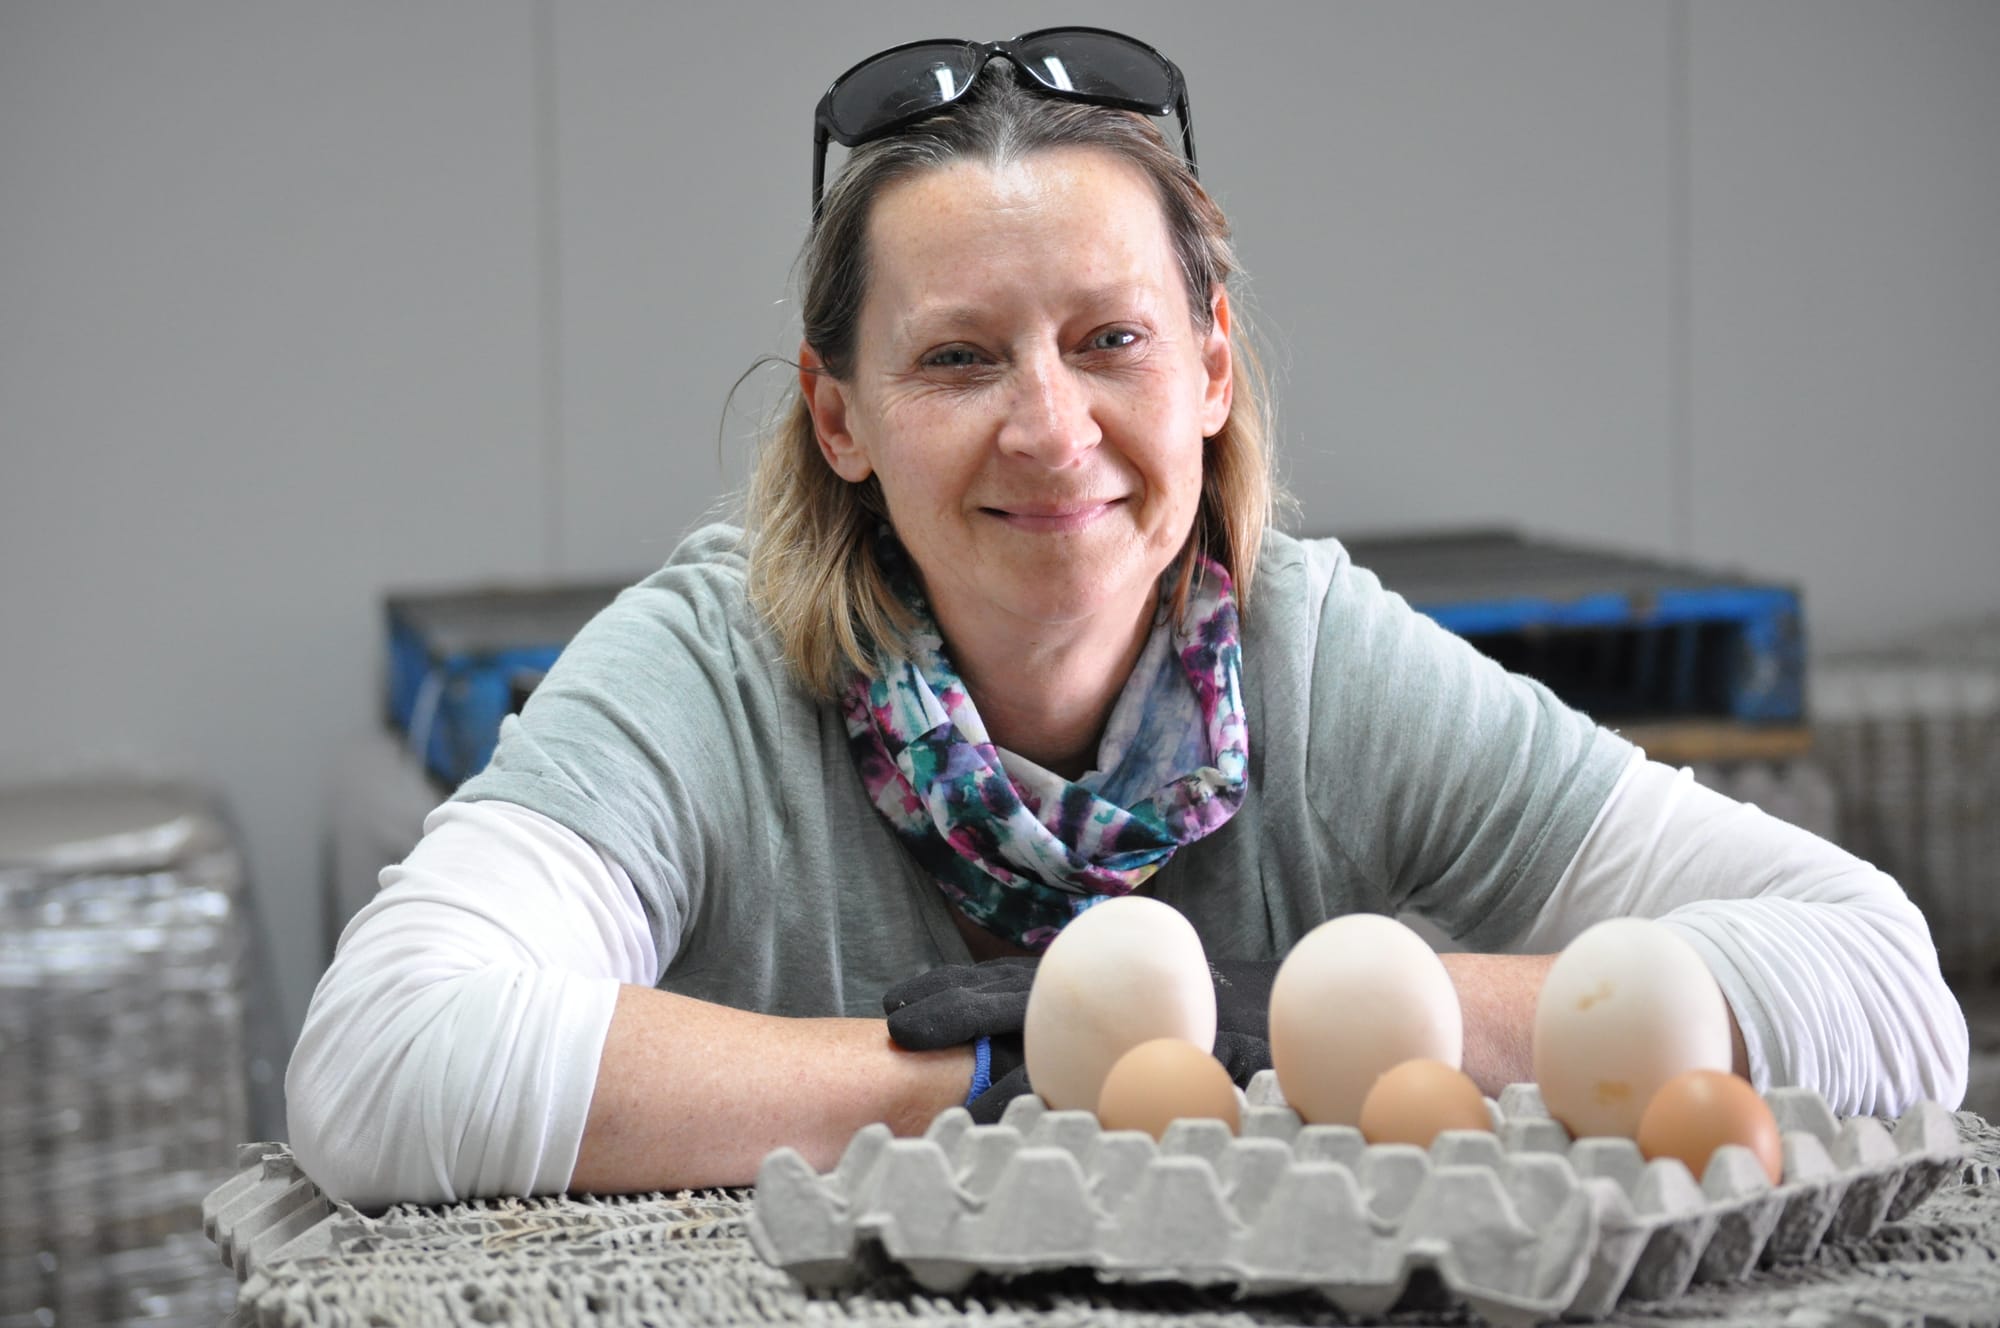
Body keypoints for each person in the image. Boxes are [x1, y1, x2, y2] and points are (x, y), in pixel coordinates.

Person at [286, 27, 1967, 1208]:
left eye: (1111, 341)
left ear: (1213, 367)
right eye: (958, 356)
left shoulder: (1314, 661)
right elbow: (381, 1062)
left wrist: (1303, 1022)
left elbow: (1883, 983)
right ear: (838, 415)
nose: (1050, 428)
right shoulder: (704, 675)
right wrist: (1017, 1071)